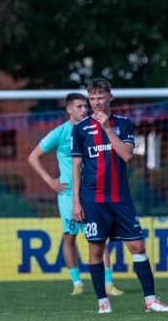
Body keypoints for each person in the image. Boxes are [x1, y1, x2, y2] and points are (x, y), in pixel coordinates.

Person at [71, 78, 168, 314]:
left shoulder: (124, 124)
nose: (96, 103)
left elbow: (127, 155)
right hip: (92, 198)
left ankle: (150, 300)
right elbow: (76, 167)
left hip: (120, 198)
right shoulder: (80, 129)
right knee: (96, 249)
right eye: (92, 98)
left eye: (100, 97)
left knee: (137, 246)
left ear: (110, 98)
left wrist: (107, 129)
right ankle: (103, 303)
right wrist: (75, 201)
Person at [28, 93, 124, 297]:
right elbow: (33, 156)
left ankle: (108, 283)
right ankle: (77, 282)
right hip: (68, 194)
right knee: (69, 237)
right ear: (69, 109)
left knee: (98, 238)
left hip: (92, 192)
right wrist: (49, 181)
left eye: (85, 106)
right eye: (79, 106)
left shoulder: (94, 128)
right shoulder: (60, 132)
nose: (84, 109)